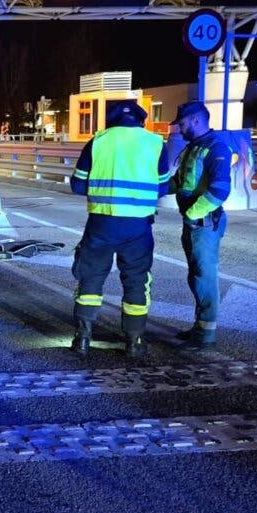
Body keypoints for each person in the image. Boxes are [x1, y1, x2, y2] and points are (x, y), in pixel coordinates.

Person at [69, 100, 170, 357]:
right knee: (137, 279)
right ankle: (134, 341)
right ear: (140, 120)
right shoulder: (156, 144)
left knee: (91, 275)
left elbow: (78, 186)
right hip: (138, 226)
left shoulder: (98, 141)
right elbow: (163, 188)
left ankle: (83, 336)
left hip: (102, 223)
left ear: (111, 120)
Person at [169, 101, 233, 350]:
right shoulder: (193, 147)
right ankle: (200, 327)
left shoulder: (216, 147)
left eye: (182, 124)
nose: (179, 129)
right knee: (195, 276)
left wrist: (192, 215)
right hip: (195, 222)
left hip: (203, 223)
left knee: (204, 277)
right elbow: (178, 182)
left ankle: (206, 335)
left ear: (196, 120)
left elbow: (219, 190)